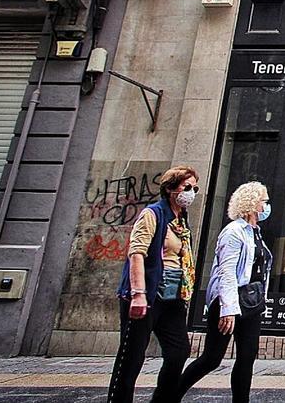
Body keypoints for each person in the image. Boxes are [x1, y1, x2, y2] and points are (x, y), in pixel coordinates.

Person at [108, 165, 200, 403]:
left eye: (195, 188)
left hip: (173, 296)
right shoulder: (153, 214)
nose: (191, 192)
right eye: (187, 187)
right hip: (147, 294)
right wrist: (138, 294)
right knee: (132, 357)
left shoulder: (181, 219)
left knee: (178, 352)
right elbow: (136, 253)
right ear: (170, 189)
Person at [176, 181, 273, 402]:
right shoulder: (234, 232)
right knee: (212, 358)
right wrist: (228, 309)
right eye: (264, 201)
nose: (267, 206)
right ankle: (171, 394)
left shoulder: (255, 232)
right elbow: (226, 272)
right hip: (230, 302)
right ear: (251, 203)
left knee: (247, 357)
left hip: (251, 304)